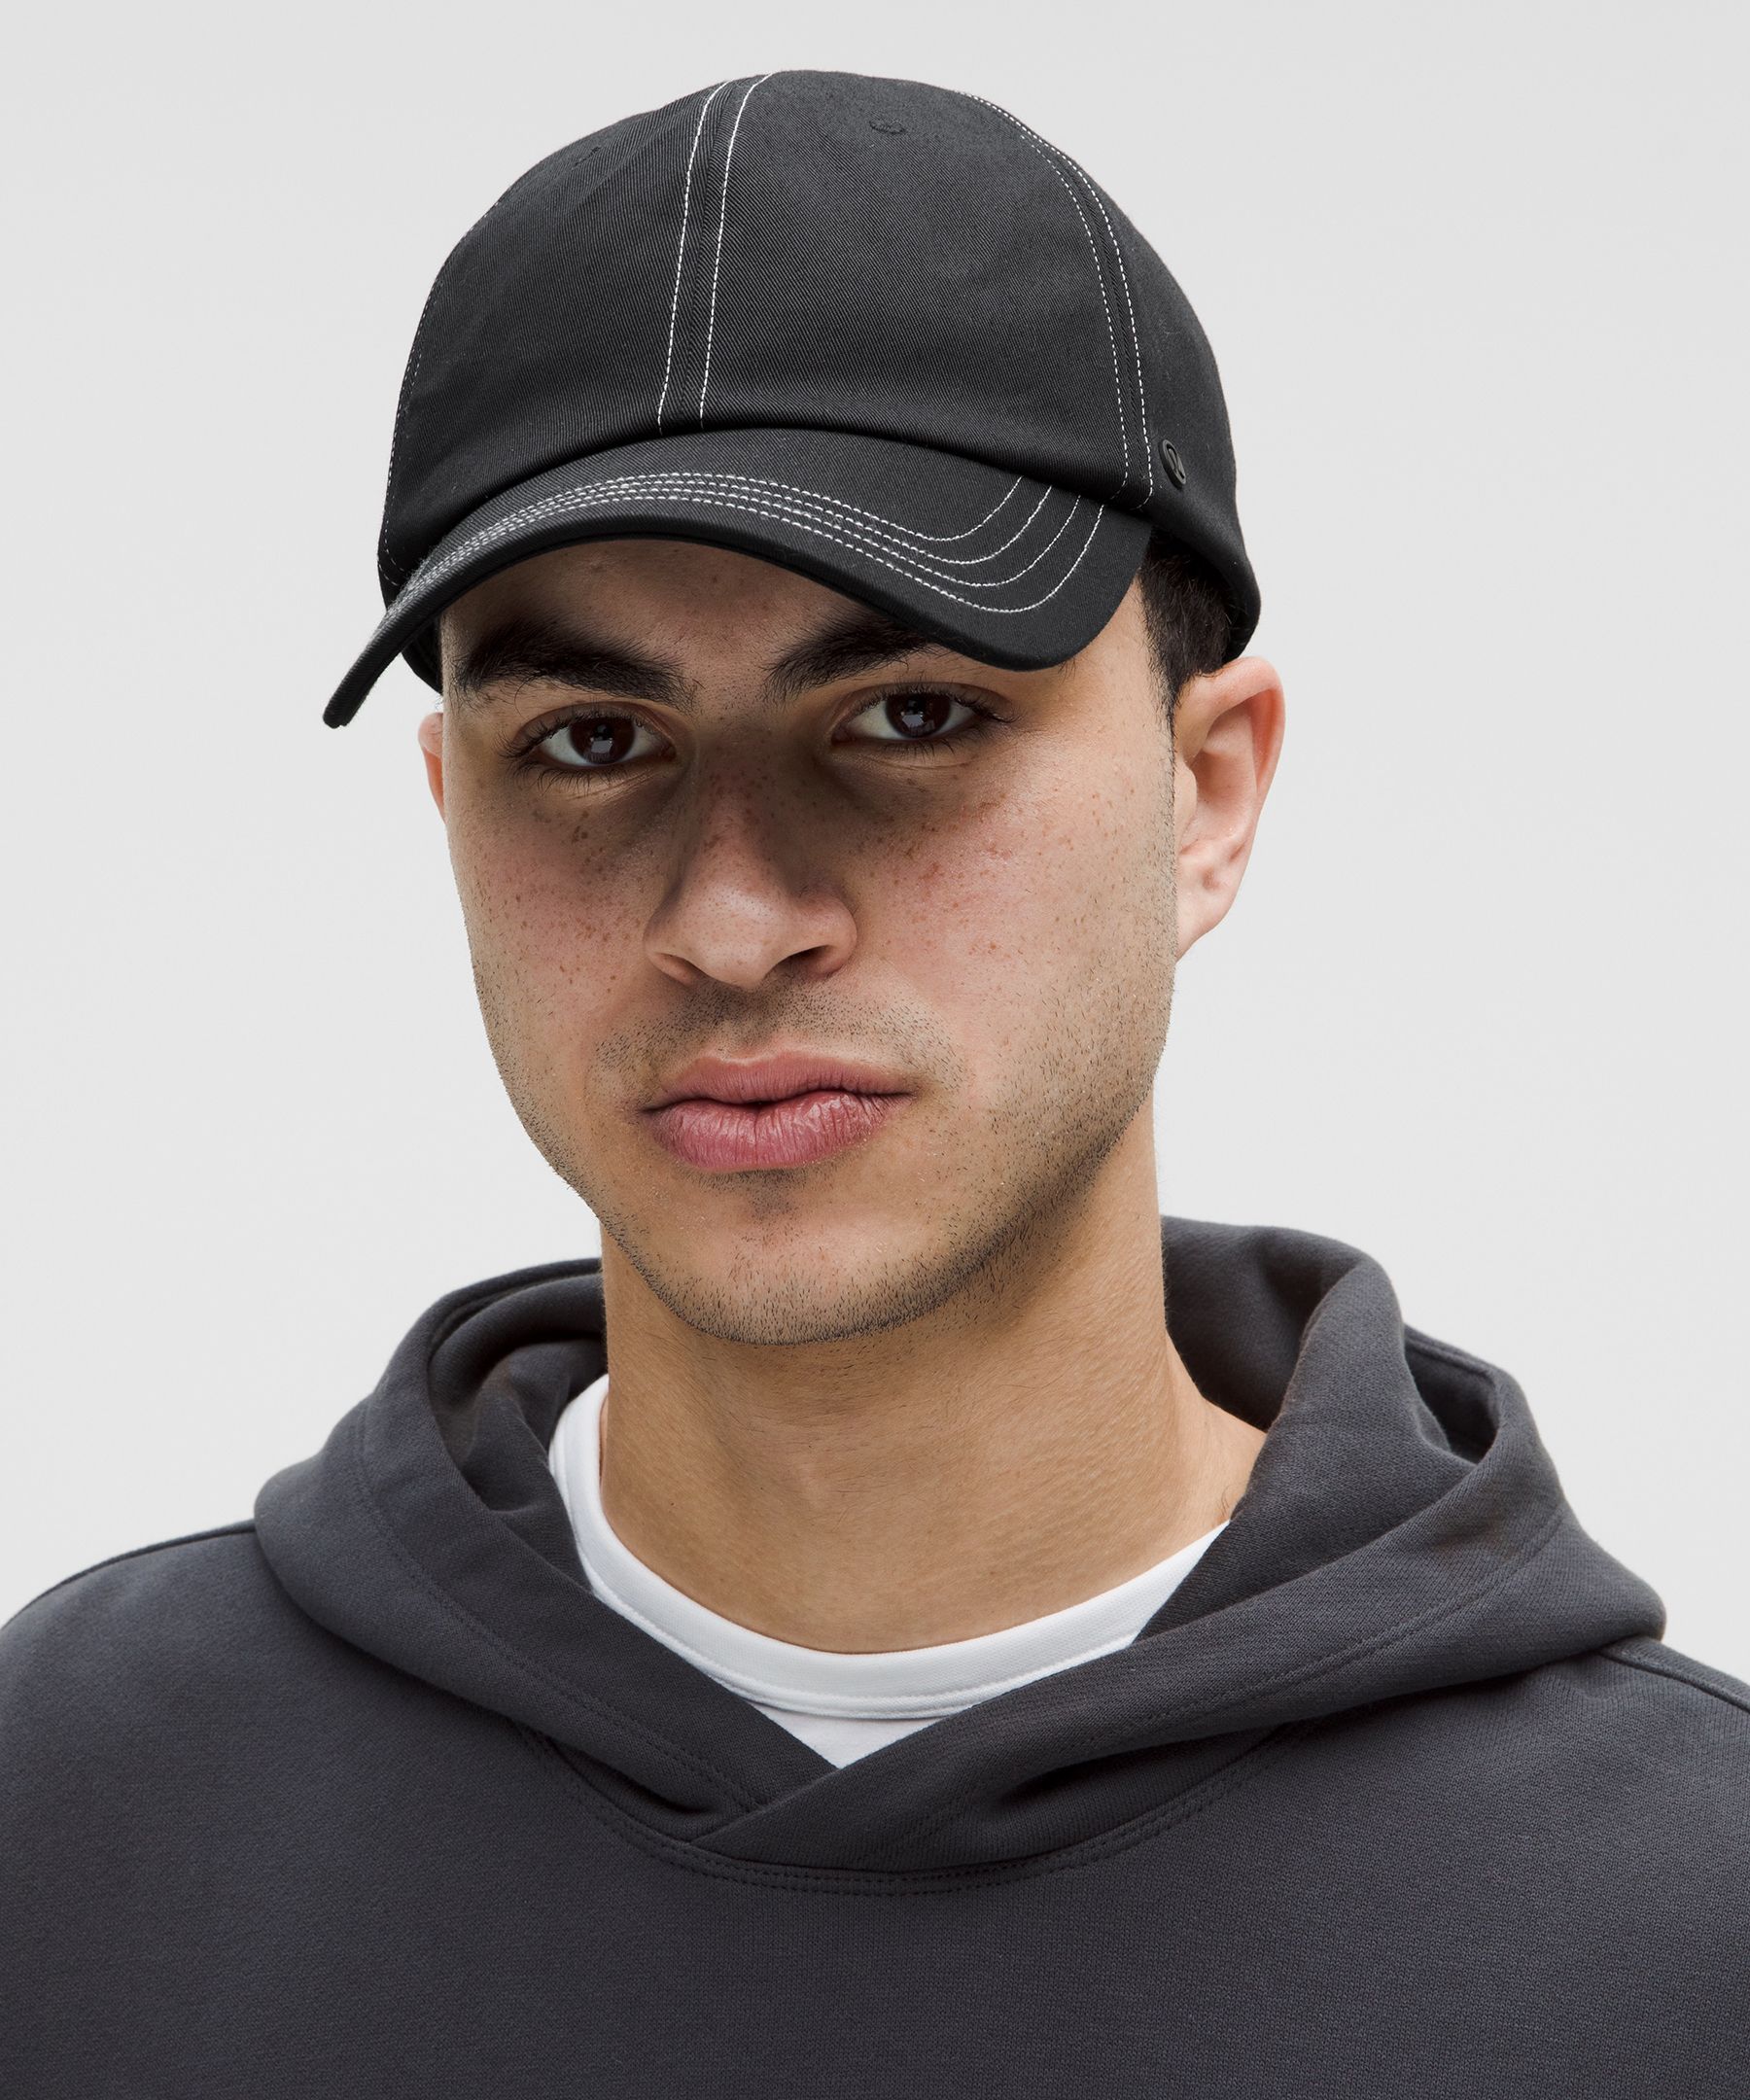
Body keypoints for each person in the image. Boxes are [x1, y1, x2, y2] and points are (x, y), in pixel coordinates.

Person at [2, 67, 1745, 2099]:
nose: (735, 921)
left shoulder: (1686, 1937)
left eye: (911, 715)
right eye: (590, 741)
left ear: (1208, 791)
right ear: (450, 807)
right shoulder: (78, 1822)